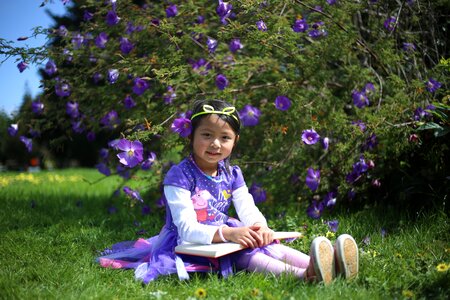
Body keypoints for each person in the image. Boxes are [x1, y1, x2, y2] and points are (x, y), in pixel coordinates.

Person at [97, 99, 359, 284]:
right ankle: (307, 275)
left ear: (235, 141)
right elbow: (187, 227)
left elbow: (247, 207)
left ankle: (331, 264)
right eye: (206, 135)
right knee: (246, 254)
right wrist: (229, 233)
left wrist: (260, 226)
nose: (215, 144)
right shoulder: (179, 175)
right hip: (190, 241)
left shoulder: (231, 173)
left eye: (225, 137)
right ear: (191, 137)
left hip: (226, 232)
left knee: (265, 244)